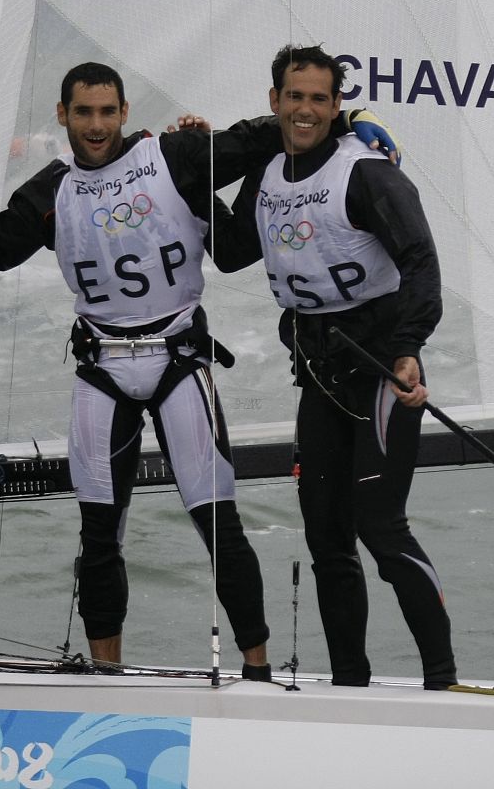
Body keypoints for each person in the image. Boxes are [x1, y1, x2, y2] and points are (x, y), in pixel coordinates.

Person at [0, 61, 397, 678]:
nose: (97, 126)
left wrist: (353, 118)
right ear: (63, 116)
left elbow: (273, 129)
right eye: (84, 113)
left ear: (125, 113)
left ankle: (257, 671)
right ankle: (107, 676)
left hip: (178, 363)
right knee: (99, 534)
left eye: (108, 112)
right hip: (101, 371)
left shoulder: (174, 156)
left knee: (218, 522)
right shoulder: (51, 189)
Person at [213, 45, 457, 690]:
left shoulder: (368, 174)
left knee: (381, 526)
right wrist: (186, 182)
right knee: (326, 539)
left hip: (379, 369)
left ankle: (443, 680)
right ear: (275, 101)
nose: (305, 110)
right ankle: (350, 682)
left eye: (320, 99)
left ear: (336, 106)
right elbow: (234, 251)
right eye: (295, 97)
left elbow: (423, 266)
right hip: (319, 375)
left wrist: (407, 348)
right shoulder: (266, 169)